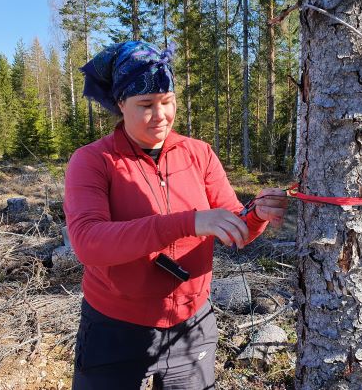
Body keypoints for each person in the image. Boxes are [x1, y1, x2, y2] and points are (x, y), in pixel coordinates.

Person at [63, 40, 288, 390]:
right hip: (115, 327)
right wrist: (190, 221)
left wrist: (257, 213)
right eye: (146, 104)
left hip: (192, 326)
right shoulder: (93, 161)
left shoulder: (198, 153)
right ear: (120, 103)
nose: (161, 115)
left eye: (167, 102)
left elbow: (235, 225)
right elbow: (89, 243)